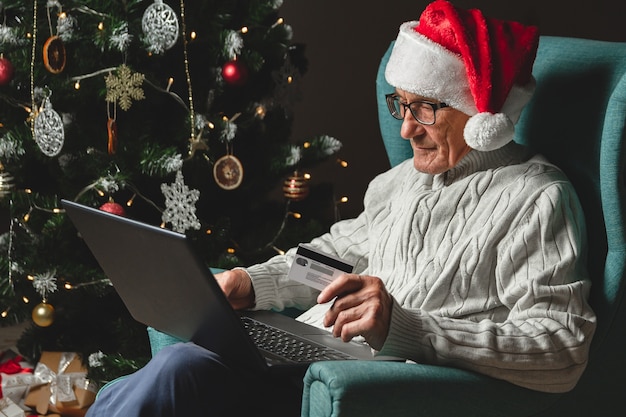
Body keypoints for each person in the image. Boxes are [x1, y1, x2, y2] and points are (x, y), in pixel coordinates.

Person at [86, 1, 596, 416]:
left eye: (426, 107)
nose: (405, 129)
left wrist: (406, 327)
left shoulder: (537, 198)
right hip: (304, 358)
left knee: (178, 377)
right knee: (168, 371)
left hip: (367, 389)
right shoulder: (402, 182)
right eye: (401, 103)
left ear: (480, 114)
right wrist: (253, 282)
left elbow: (562, 350)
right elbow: (334, 258)